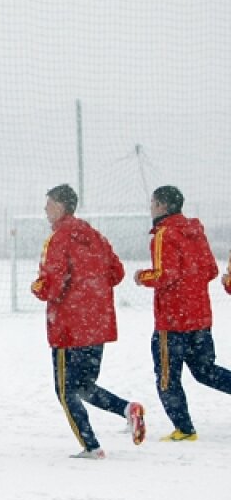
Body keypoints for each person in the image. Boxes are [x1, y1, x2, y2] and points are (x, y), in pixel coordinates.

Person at [30, 185, 145, 459]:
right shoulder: (95, 236)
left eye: (48, 204)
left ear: (59, 206)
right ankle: (128, 410)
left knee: (65, 389)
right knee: (84, 386)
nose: (45, 210)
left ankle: (91, 446)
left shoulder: (59, 238)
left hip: (69, 326)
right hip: (98, 324)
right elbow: (117, 272)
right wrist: (91, 290)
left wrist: (38, 287)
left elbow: (52, 284)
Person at [133, 185, 231, 441]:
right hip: (199, 316)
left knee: (167, 377)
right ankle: (184, 427)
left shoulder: (163, 234)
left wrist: (142, 277)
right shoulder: (195, 231)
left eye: (153, 203)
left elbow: (165, 274)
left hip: (173, 320)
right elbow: (210, 269)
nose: (151, 207)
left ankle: (185, 429)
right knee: (205, 371)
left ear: (163, 206)